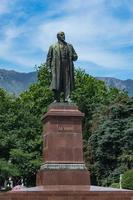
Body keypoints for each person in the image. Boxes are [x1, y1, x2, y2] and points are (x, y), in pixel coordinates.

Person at [46, 31, 78, 102]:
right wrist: (48, 68)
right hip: (57, 67)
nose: (63, 36)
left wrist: (74, 56)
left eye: (64, 35)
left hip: (67, 67)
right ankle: (56, 99)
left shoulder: (69, 46)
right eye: (61, 35)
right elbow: (49, 58)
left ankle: (67, 98)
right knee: (57, 82)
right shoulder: (53, 46)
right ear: (57, 36)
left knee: (67, 82)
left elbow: (75, 56)